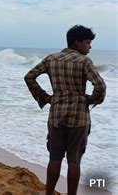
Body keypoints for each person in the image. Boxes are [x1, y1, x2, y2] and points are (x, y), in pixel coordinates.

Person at [24, 25, 106, 195]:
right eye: (88, 43)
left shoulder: (51, 59)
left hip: (56, 114)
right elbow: (100, 85)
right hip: (79, 117)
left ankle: (49, 193)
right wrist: (92, 100)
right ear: (77, 43)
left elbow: (29, 77)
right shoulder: (84, 61)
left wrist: (45, 97)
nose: (90, 47)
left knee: (54, 158)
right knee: (74, 160)